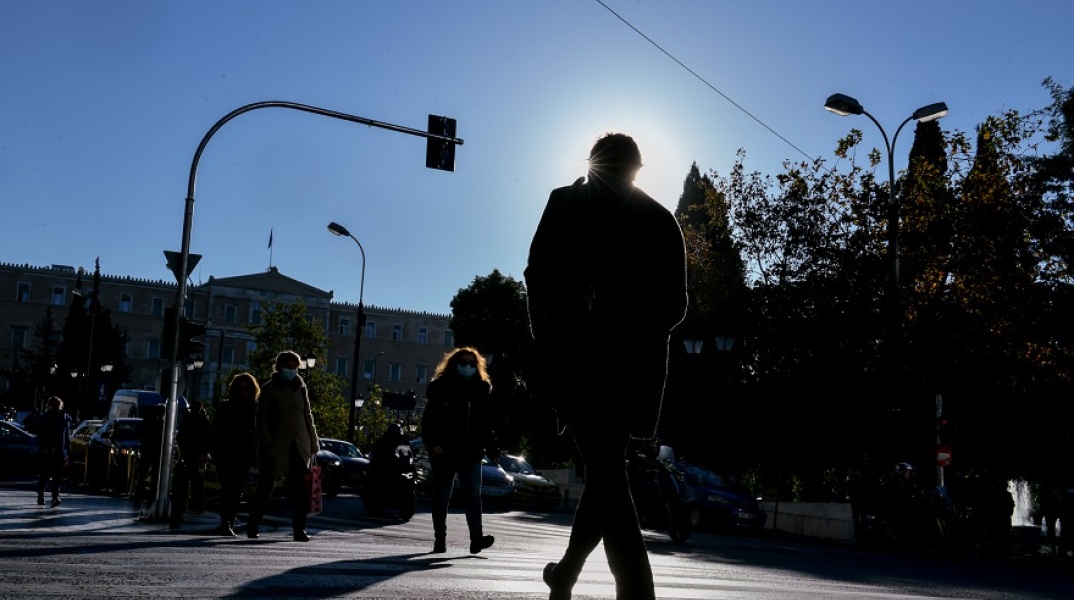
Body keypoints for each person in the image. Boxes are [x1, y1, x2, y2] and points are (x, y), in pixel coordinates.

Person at [525, 132, 688, 600]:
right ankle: (586, 579)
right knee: (606, 471)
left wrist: (551, 339)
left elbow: (536, 278)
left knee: (605, 474)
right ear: (638, 169)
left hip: (577, 366)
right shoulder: (658, 220)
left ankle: (623, 587)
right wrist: (635, 331)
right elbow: (675, 306)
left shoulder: (565, 203)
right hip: (625, 372)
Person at [421, 347, 499, 554]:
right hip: (445, 451)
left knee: (473, 495)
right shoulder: (440, 388)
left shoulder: (480, 390)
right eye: (463, 363)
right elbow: (428, 420)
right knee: (442, 496)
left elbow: (485, 421)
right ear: (454, 364)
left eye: (471, 364)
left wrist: (491, 445)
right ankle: (440, 539)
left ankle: (476, 539)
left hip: (471, 450)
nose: (467, 367)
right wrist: (433, 444)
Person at [246, 351, 320, 542]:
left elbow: (307, 415)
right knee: (266, 487)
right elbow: (261, 419)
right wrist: (268, 441)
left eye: (295, 366)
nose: (292, 370)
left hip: (299, 444)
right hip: (277, 445)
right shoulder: (269, 389)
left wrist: (313, 442)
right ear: (279, 367)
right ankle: (253, 526)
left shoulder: (300, 387)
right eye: (289, 366)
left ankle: (299, 530)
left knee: (300, 490)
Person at [210, 373, 260, 537]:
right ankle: (225, 522)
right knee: (227, 489)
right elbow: (215, 431)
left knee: (236, 490)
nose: (243, 391)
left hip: (243, 455)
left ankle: (229, 521)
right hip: (225, 454)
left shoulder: (255, 409)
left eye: (246, 388)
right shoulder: (226, 407)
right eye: (240, 388)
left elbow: (258, 433)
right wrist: (214, 452)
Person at [169, 399, 211, 529]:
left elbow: (180, 437)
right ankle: (197, 505)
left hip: (188, 455)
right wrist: (203, 452)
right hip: (195, 455)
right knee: (196, 482)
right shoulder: (204, 421)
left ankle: (184, 506)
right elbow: (209, 438)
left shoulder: (188, 420)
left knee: (182, 483)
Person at [36, 396, 72, 507]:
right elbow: (65, 438)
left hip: (55, 451)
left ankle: (51, 497)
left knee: (51, 475)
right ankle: (47, 496)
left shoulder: (61, 418)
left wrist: (66, 453)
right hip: (55, 450)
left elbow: (66, 437)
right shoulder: (57, 418)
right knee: (49, 475)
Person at [132, 404, 165, 508]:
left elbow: (139, 432)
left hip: (147, 451)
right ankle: (150, 499)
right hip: (155, 452)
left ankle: (138, 498)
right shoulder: (161, 423)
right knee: (154, 477)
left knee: (142, 475)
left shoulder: (147, 420)